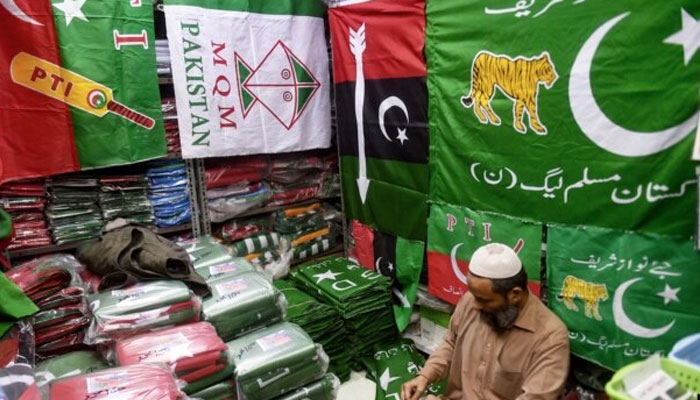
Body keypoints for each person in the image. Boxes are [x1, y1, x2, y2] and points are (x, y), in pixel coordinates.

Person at [402, 243, 569, 400]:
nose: (474, 305)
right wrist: (425, 376)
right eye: (474, 296)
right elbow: (451, 342)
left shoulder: (550, 338)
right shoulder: (472, 301)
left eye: (484, 300)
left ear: (515, 295)